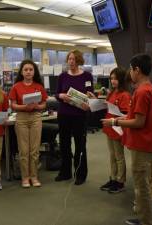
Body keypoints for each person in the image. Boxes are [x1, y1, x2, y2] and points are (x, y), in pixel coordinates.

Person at [102, 54, 152, 225]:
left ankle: (146, 221)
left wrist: (114, 121)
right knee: (142, 184)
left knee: (142, 186)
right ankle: (144, 218)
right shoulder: (151, 89)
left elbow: (138, 122)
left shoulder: (142, 92)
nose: (130, 72)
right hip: (148, 143)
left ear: (137, 70)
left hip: (142, 145)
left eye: (131, 69)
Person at [55, 49, 93, 185]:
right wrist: (61, 96)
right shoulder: (62, 76)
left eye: (74, 59)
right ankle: (65, 172)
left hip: (80, 115)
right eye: (69, 59)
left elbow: (90, 94)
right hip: (64, 114)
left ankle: (80, 174)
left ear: (79, 61)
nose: (71, 61)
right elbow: (57, 94)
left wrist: (90, 99)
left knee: (80, 145)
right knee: (64, 145)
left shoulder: (87, 76)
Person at [9, 59, 48, 188]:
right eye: (25, 69)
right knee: (24, 150)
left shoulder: (39, 86)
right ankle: (25, 177)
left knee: (34, 150)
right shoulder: (16, 86)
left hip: (36, 117)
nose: (28, 72)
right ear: (21, 71)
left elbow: (44, 104)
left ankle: (34, 176)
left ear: (34, 71)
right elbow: (13, 105)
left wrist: (38, 106)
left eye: (31, 69)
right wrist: (23, 107)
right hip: (22, 118)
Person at [99, 67, 131, 194]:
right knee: (112, 156)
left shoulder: (125, 95)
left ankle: (120, 181)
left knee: (119, 156)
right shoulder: (112, 92)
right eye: (111, 78)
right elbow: (107, 105)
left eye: (115, 79)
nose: (113, 81)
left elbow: (126, 114)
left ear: (121, 80)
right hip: (109, 127)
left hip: (117, 128)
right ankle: (113, 178)